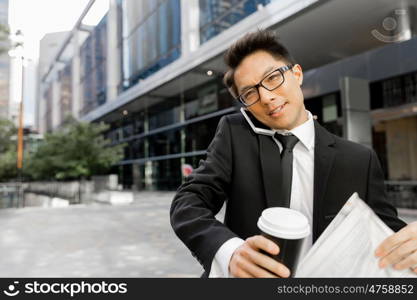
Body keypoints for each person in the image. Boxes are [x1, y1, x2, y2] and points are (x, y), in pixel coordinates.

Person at [170, 30, 417, 278]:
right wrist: (230, 252)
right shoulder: (236, 135)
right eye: (249, 93)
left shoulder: (359, 160)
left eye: (272, 78)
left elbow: (390, 238)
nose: (266, 97)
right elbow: (189, 202)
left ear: (296, 74)